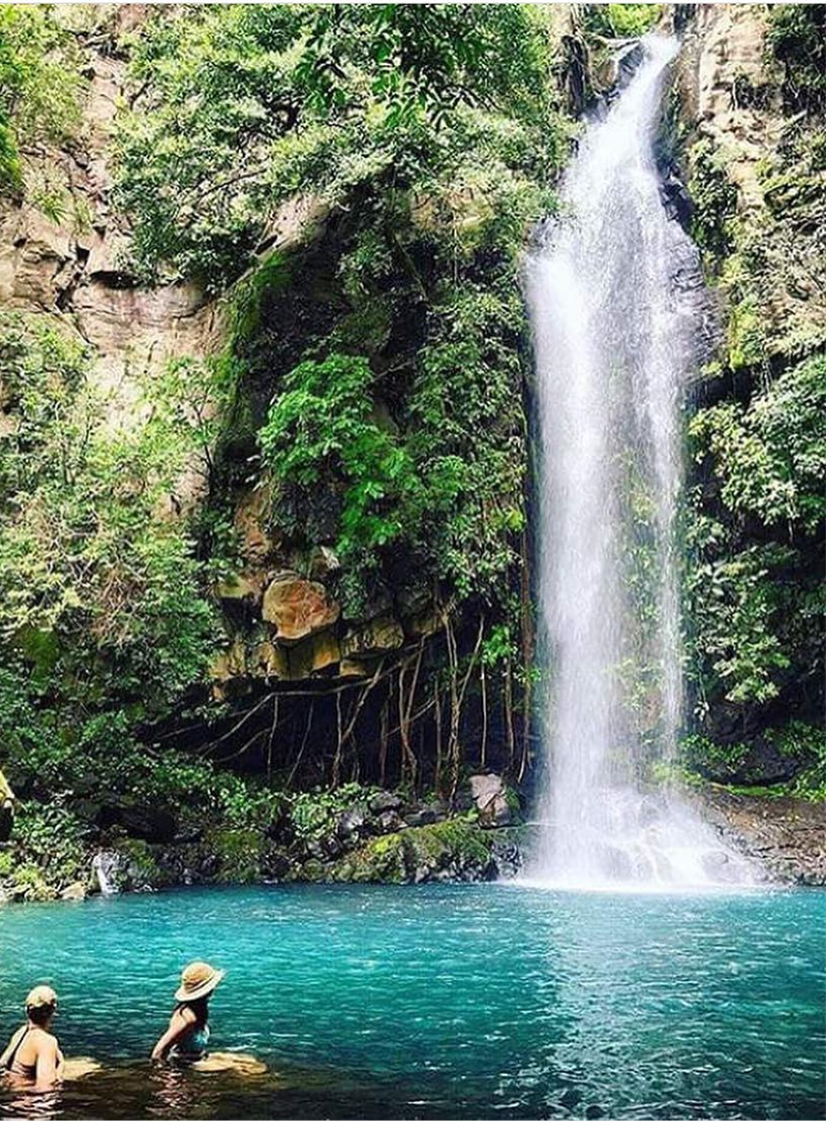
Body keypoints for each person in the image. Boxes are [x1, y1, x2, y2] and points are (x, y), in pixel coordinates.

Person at [151, 961, 224, 1064]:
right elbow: (158, 1052)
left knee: (245, 1060)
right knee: (246, 1070)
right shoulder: (186, 1017)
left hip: (197, 1057)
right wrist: (165, 1075)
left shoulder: (198, 1009)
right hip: (185, 1063)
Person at [0, 986, 64, 1090]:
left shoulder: (21, 1032)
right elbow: (45, 1088)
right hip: (24, 1102)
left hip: (11, 1091)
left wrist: (60, 1063)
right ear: (53, 1010)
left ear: (27, 1010)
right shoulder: (46, 1042)